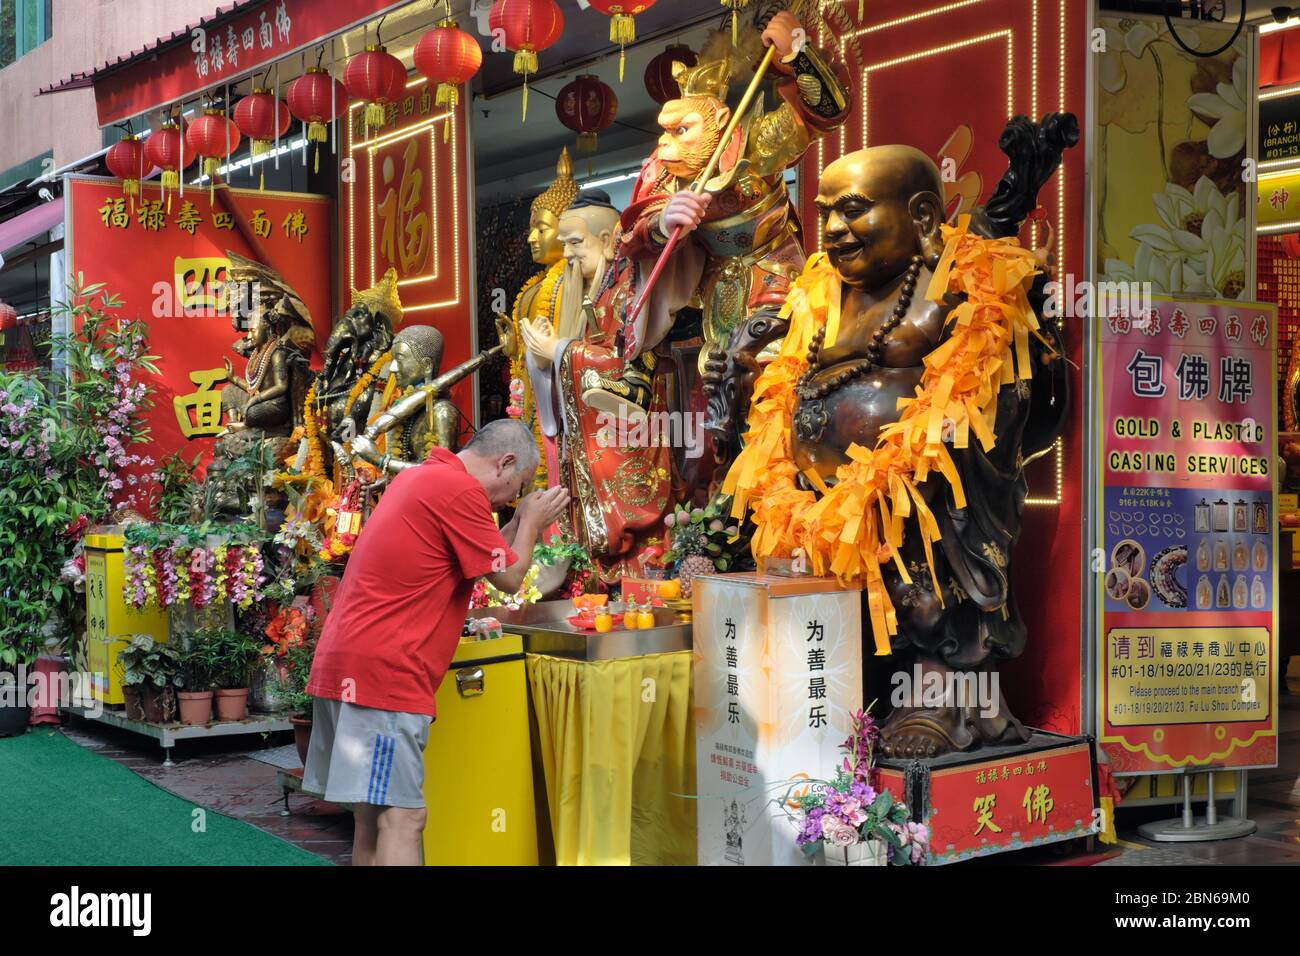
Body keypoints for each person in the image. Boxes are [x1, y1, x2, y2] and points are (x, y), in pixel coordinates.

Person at [303, 418, 570, 865]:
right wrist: (533, 524)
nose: (511, 500)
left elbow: (485, 557)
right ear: (505, 463)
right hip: (384, 675)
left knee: (373, 818)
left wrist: (522, 519)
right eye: (518, 485)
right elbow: (508, 576)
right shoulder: (460, 491)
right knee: (405, 819)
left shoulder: (427, 478)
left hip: (349, 664)